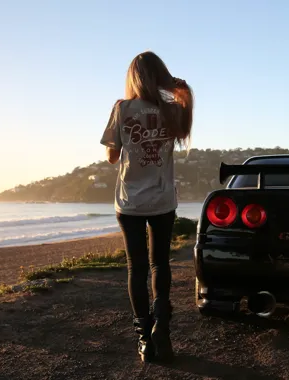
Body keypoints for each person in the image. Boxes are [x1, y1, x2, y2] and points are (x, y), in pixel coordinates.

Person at [99, 51, 193, 363]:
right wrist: (183, 94)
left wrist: (132, 145)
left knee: (136, 268)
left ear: (133, 78)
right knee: (159, 264)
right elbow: (182, 135)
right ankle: (162, 328)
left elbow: (113, 156)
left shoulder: (122, 108)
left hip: (130, 202)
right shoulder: (172, 110)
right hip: (163, 200)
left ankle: (144, 338)